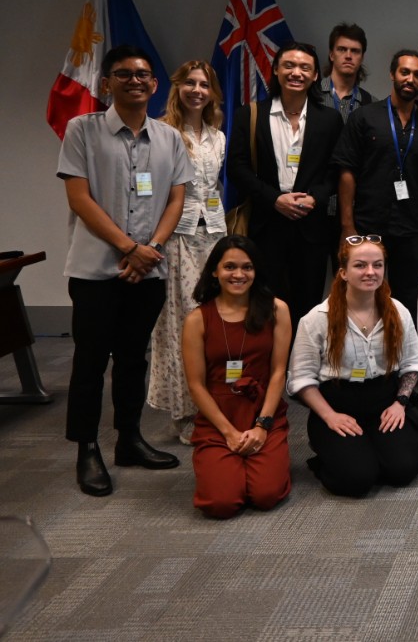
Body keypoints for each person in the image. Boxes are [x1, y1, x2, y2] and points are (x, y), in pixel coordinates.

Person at [57, 45, 194, 496]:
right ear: (106, 83)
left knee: (134, 359)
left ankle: (129, 439)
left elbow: (176, 198)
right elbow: (79, 198)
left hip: (148, 270)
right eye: (124, 74)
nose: (135, 81)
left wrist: (150, 249)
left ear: (155, 85)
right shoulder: (82, 130)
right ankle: (86, 448)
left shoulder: (169, 137)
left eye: (143, 75)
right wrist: (128, 247)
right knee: (91, 361)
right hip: (96, 270)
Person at [289, 237, 418, 496]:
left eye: (378, 265)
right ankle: (333, 454)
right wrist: (330, 416)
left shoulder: (398, 312)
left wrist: (400, 403)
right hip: (337, 405)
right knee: (358, 479)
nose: (370, 272)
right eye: (360, 265)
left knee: (403, 470)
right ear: (343, 272)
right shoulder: (316, 319)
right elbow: (302, 379)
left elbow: (411, 364)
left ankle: (373, 448)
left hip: (385, 401)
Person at [227, 41, 343, 333]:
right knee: (265, 302)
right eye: (289, 65)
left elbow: (335, 170)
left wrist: (315, 198)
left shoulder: (329, 120)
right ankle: (270, 370)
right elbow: (237, 168)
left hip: (312, 228)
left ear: (316, 75)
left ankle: (302, 371)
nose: (296, 72)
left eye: (305, 67)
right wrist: (275, 199)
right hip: (266, 225)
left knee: (308, 305)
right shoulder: (249, 114)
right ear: (276, 69)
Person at [182, 235, 291, 518]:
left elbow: (279, 371)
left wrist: (262, 425)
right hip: (219, 417)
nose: (239, 274)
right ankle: (225, 466)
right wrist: (229, 433)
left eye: (247, 267)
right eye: (230, 267)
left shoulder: (277, 309)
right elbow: (195, 384)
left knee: (266, 495)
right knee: (221, 503)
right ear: (215, 272)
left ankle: (253, 463)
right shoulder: (197, 319)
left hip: (262, 411)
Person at [148, 60, 228, 445]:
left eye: (205, 84)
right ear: (178, 87)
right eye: (190, 83)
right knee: (184, 322)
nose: (197, 90)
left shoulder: (218, 136)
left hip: (213, 235)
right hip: (177, 236)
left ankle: (216, 403)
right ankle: (185, 413)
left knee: (216, 319)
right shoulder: (162, 132)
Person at [333, 50, 418, 316]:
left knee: (409, 297)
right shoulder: (365, 117)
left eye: (417, 74)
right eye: (405, 72)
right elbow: (346, 171)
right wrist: (347, 225)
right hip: (369, 225)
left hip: (414, 226)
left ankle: (403, 354)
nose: (411, 79)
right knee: (366, 293)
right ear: (392, 74)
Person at [317, 22, 373, 121]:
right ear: (331, 55)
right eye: (342, 49)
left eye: (355, 51)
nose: (348, 56)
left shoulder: (371, 104)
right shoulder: (311, 94)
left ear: (362, 58)